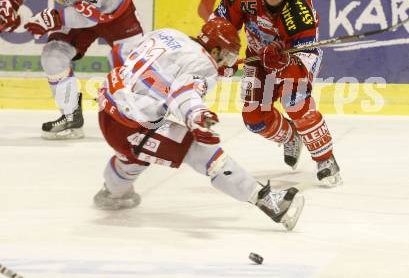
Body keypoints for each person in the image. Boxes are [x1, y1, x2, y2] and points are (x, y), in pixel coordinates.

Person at [93, 17, 305, 231]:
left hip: (108, 107)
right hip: (131, 124)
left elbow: (146, 60)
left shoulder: (168, 34)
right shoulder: (204, 64)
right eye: (227, 56)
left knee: (134, 156)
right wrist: (197, 116)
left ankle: (112, 192)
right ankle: (270, 203)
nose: (227, 62)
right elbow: (184, 92)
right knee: (203, 153)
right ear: (215, 51)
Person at [0, 0, 144, 139]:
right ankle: (71, 118)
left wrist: (54, 18)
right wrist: (10, 2)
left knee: (132, 65)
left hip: (115, 10)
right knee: (52, 56)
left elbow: (91, 16)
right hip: (79, 10)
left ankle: (142, 121)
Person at [211, 0, 342, 186]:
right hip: (256, 56)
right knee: (254, 119)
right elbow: (220, 27)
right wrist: (222, 59)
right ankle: (291, 137)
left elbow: (305, 61)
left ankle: (325, 158)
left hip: (294, 58)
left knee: (295, 102)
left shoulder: (299, 11)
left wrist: (283, 62)